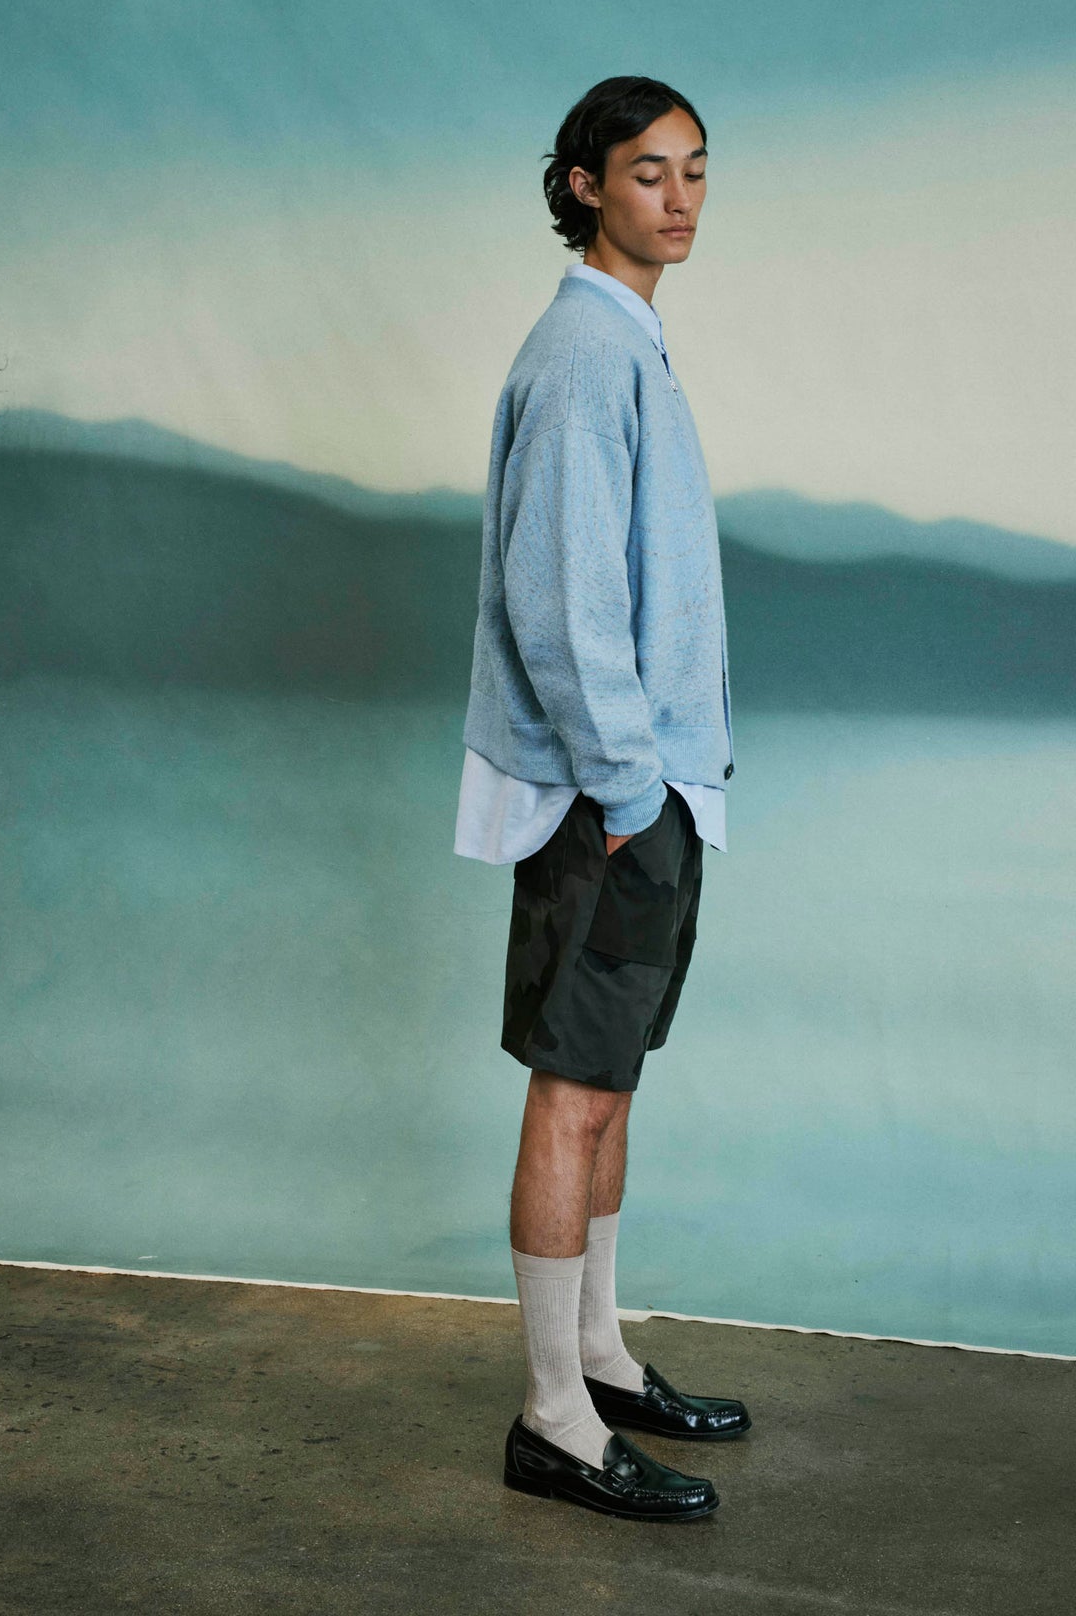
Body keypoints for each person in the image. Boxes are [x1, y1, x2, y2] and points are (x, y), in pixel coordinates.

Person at [454, 75, 751, 1521]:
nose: (679, 199)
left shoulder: (631, 340)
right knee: (572, 1095)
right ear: (583, 185)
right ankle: (554, 1418)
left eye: (695, 171)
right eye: (648, 173)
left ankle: (599, 1359)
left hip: (653, 789)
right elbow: (561, 602)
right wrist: (631, 793)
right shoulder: (583, 354)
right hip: (606, 797)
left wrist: (665, 789)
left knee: (611, 1084)